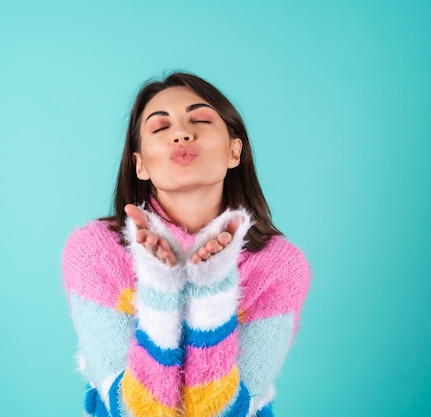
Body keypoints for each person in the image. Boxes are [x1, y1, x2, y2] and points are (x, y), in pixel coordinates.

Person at [62, 72, 312, 417]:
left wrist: (213, 286)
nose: (181, 133)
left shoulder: (281, 266)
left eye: (201, 119)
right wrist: (160, 287)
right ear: (140, 164)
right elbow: (132, 411)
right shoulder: (94, 251)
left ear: (234, 151)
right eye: (160, 128)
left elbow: (226, 412)